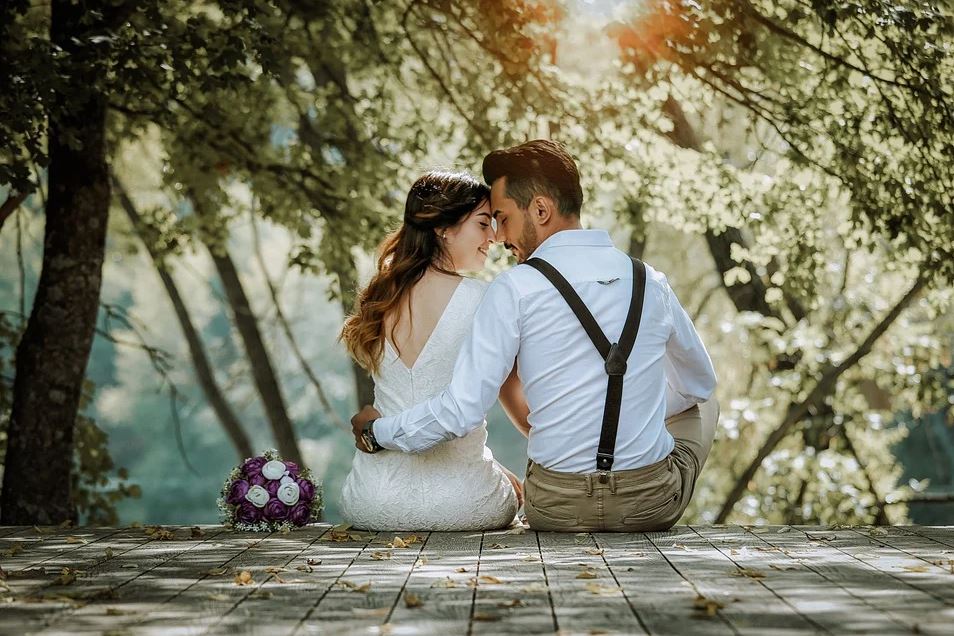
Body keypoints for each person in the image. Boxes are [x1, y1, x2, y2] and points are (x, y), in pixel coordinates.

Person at [351, 140, 719, 532]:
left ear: (540, 210)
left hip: (554, 507)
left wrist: (378, 432)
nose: (499, 236)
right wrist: (634, 412)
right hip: (650, 505)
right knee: (703, 401)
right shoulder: (651, 281)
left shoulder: (513, 289)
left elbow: (461, 409)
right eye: (488, 221)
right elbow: (698, 383)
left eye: (503, 218)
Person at [338, 170, 521, 531]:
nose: (494, 237)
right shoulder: (484, 298)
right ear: (443, 228)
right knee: (517, 493)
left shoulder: (379, 298)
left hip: (372, 502)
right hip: (465, 505)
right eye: (483, 224)